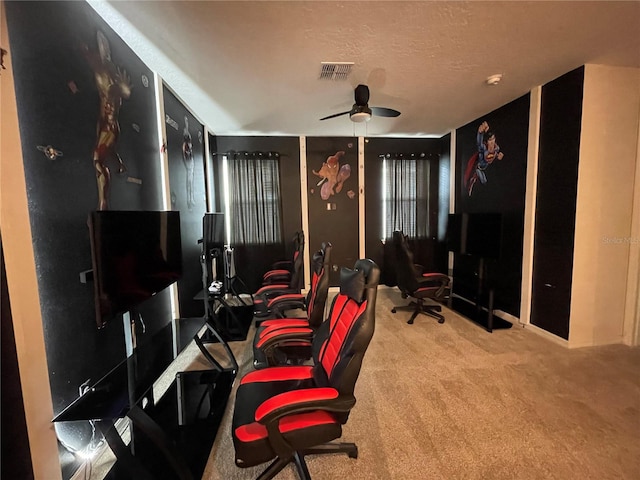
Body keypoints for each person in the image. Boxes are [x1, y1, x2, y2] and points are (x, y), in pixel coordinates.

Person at [84, 31, 132, 210]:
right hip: (104, 124)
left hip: (110, 126)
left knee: (98, 158)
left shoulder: (109, 75)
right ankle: (119, 164)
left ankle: (103, 202)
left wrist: (124, 89)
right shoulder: (102, 72)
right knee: (103, 154)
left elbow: (123, 93)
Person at [465, 121, 504, 196]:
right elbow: (479, 143)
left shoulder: (496, 148)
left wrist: (499, 156)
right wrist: (480, 133)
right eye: (490, 140)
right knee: (483, 181)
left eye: (493, 139)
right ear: (487, 141)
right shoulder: (483, 149)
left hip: (488, 168)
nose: (492, 142)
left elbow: (496, 154)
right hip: (480, 168)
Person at [182, 116, 195, 209]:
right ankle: (189, 201)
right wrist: (187, 165)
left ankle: (191, 199)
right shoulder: (184, 145)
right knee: (189, 183)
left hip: (191, 162)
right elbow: (184, 155)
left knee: (191, 183)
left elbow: (186, 128)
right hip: (189, 164)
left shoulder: (189, 142)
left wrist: (186, 121)